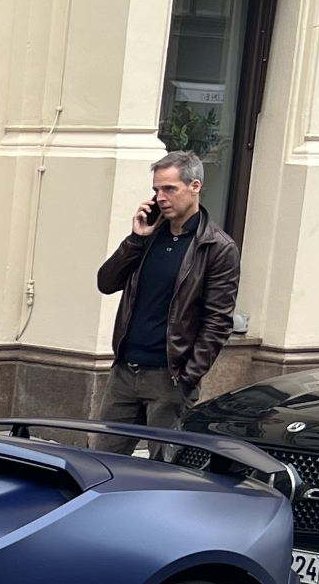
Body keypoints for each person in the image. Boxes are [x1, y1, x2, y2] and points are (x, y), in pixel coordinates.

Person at [96, 150, 240, 431]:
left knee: (163, 467)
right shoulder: (149, 236)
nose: (161, 198)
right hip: (124, 373)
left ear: (194, 187)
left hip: (169, 378)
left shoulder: (217, 247)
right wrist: (136, 240)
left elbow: (218, 321)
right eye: (156, 190)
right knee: (102, 463)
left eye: (170, 189)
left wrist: (187, 378)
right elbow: (107, 282)